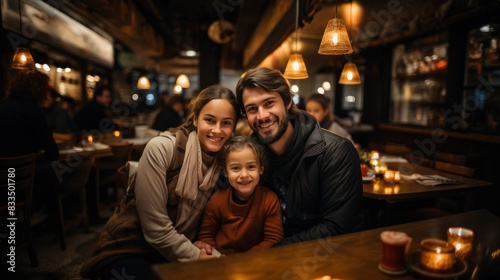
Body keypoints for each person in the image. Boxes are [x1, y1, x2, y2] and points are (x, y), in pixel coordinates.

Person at [80, 85, 240, 280]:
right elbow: (156, 229)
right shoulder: (163, 149)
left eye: (226, 123)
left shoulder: (227, 163)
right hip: (131, 249)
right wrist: (196, 255)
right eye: (209, 120)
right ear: (196, 119)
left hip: (179, 251)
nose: (217, 130)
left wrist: (201, 242)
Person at [235, 67, 364, 246]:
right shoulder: (251, 154)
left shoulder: (336, 151)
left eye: (269, 103)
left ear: (287, 102)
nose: (262, 115)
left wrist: (271, 251)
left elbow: (335, 228)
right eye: (252, 109)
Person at [197, 135, 283, 255]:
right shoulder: (217, 200)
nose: (244, 175)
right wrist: (216, 255)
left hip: (255, 261)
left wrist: (246, 259)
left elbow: (274, 239)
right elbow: (206, 236)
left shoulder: (269, 200)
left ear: (261, 169)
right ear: (226, 172)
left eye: (251, 167)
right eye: (236, 168)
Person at [0, 70, 59, 214]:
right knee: (55, 169)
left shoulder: (3, 105)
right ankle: (53, 219)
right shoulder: (32, 110)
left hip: (2, 176)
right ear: (38, 90)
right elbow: (53, 152)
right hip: (18, 177)